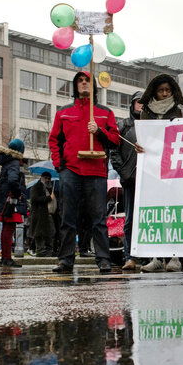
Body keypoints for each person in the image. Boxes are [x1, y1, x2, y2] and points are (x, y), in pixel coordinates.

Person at [48, 71, 120, 274]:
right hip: (70, 170)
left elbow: (115, 140)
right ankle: (66, 260)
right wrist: (58, 164)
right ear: (75, 86)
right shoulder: (63, 112)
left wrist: (99, 130)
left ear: (94, 86)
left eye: (87, 80)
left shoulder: (105, 113)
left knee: (98, 217)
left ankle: (104, 259)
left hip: (96, 170)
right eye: (80, 81)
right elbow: (54, 139)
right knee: (68, 217)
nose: (83, 84)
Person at [138, 74, 183, 273]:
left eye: (168, 90)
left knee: (174, 211)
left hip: (174, 169)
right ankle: (157, 257)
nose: (165, 93)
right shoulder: (145, 113)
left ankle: (174, 256)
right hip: (152, 170)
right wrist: (138, 147)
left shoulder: (181, 112)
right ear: (154, 92)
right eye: (161, 90)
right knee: (155, 211)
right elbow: (142, 139)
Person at [110, 91, 144, 271]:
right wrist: (123, 172)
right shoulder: (123, 125)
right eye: (138, 102)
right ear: (132, 105)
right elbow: (114, 152)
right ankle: (129, 256)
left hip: (149, 180)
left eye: (144, 103)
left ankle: (147, 256)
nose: (141, 106)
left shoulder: (154, 125)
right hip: (129, 180)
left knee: (148, 218)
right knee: (130, 219)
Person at [0, 139, 27, 268]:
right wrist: (18, 193)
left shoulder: (7, 162)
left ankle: (5, 257)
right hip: (11, 200)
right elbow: (13, 180)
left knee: (6, 228)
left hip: (5, 198)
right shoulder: (14, 162)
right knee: (9, 228)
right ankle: (7, 258)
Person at [29, 172, 56, 258]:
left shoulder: (51, 188)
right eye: (46, 178)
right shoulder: (36, 187)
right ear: (42, 178)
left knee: (51, 233)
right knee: (39, 234)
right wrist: (48, 198)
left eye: (49, 178)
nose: (48, 180)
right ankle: (40, 250)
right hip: (39, 214)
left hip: (49, 214)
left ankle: (49, 250)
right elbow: (34, 199)